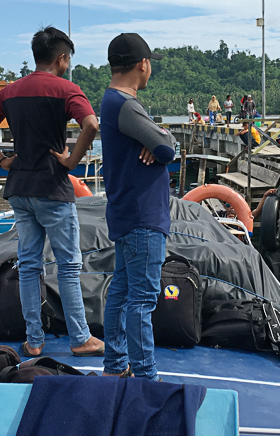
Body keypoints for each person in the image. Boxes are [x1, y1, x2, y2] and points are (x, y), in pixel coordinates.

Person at [0, 26, 104, 359]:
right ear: (61, 58)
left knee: (29, 265)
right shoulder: (66, 89)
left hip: (20, 188)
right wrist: (71, 159)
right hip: (52, 188)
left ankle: (34, 340)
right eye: (68, 59)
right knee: (69, 265)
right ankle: (80, 338)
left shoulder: (12, 91)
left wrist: (1, 159)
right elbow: (91, 124)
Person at [100, 33, 176, 380]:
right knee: (142, 299)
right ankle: (146, 377)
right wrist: (160, 139)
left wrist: (158, 138)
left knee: (122, 290)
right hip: (144, 216)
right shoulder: (127, 106)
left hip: (126, 212)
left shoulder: (112, 101)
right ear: (143, 64)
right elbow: (166, 149)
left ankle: (116, 365)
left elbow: (160, 143)